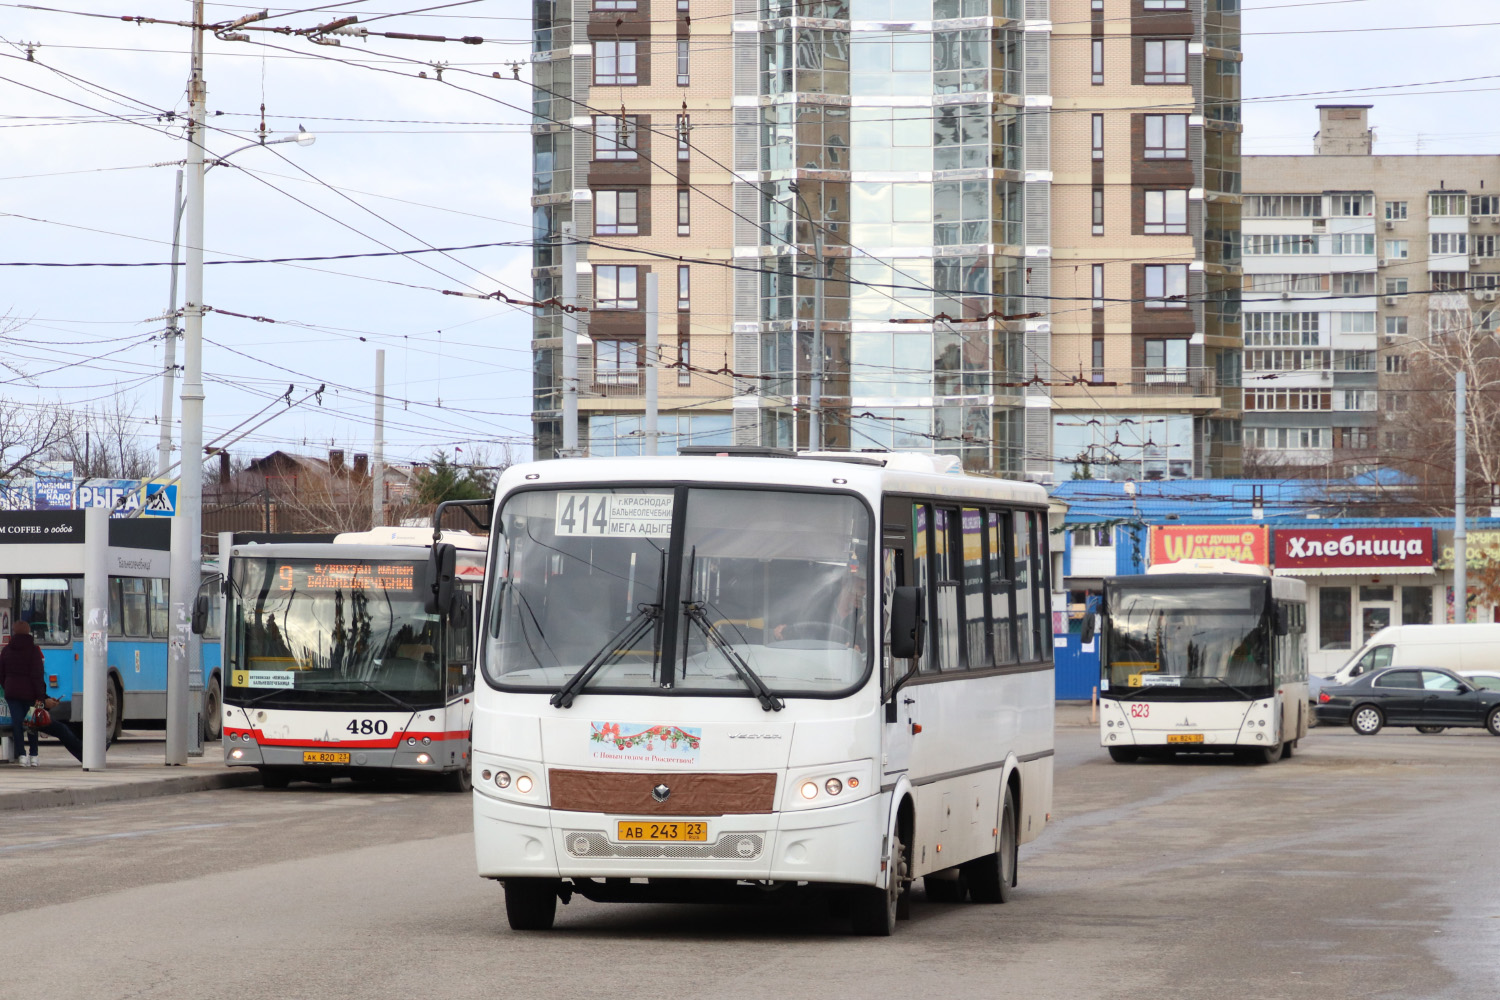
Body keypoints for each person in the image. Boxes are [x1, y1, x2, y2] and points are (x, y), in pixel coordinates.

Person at [0, 621, 83, 766]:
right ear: (28, 632)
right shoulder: (33, 651)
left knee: (18, 725)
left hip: (12, 694)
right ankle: (33, 756)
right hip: (31, 695)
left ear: (14, 632)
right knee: (33, 724)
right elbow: (37, 677)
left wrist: (8, 686)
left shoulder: (6, 651)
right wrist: (41, 699)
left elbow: (1, 674)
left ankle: (22, 756)